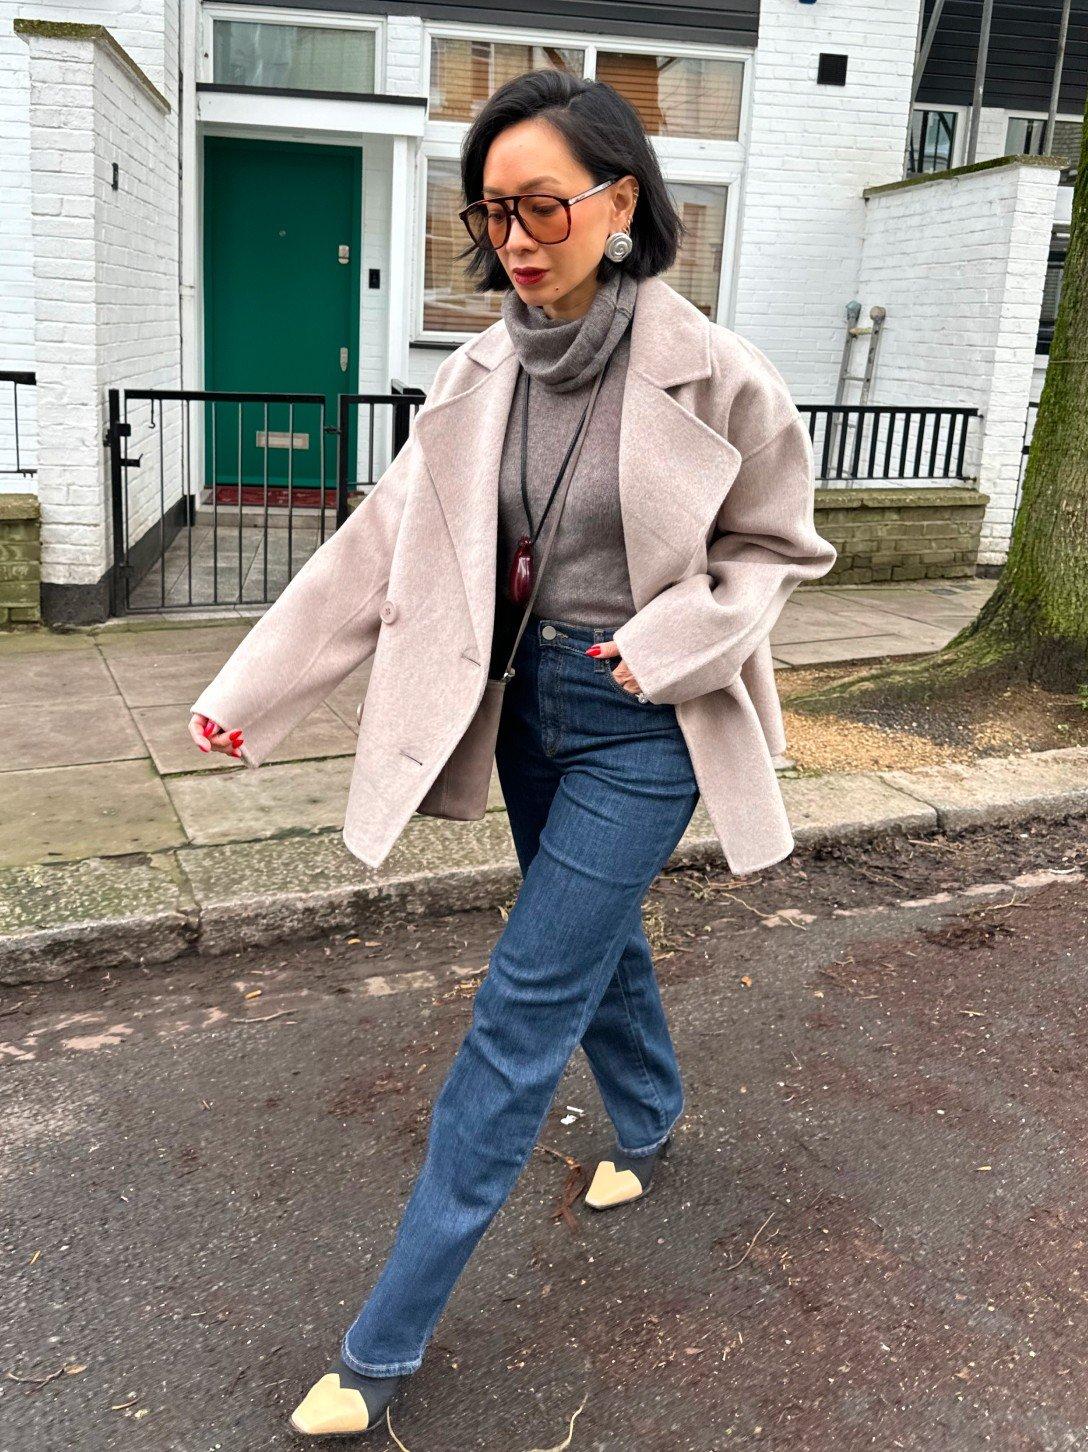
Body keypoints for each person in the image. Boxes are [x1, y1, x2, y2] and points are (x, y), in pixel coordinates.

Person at [188, 69, 837, 1438]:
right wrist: (251, 693)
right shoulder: (479, 369)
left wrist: (665, 646)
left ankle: (378, 1351)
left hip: (648, 725)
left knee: (519, 1011)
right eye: (494, 214)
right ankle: (653, 1124)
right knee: (597, 944)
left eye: (545, 205)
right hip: (528, 715)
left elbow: (778, 547)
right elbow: (379, 542)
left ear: (621, 200)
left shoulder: (720, 372)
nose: (520, 238)